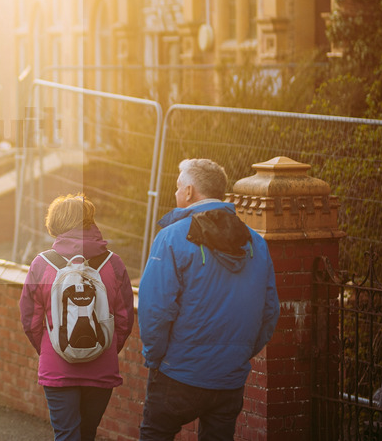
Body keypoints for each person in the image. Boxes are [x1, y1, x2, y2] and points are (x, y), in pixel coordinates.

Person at [138, 158, 280, 441]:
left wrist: (155, 359)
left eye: (178, 187)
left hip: (177, 373)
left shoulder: (170, 238)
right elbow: (269, 312)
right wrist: (238, 354)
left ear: (189, 192)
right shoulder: (256, 243)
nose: (176, 193)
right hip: (229, 378)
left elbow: (155, 309)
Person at [19, 194, 135, 441]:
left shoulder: (42, 264)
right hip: (102, 364)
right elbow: (124, 319)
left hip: (57, 365)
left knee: (66, 435)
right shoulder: (113, 263)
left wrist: (49, 348)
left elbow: (30, 320)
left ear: (56, 224)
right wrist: (108, 347)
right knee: (87, 434)